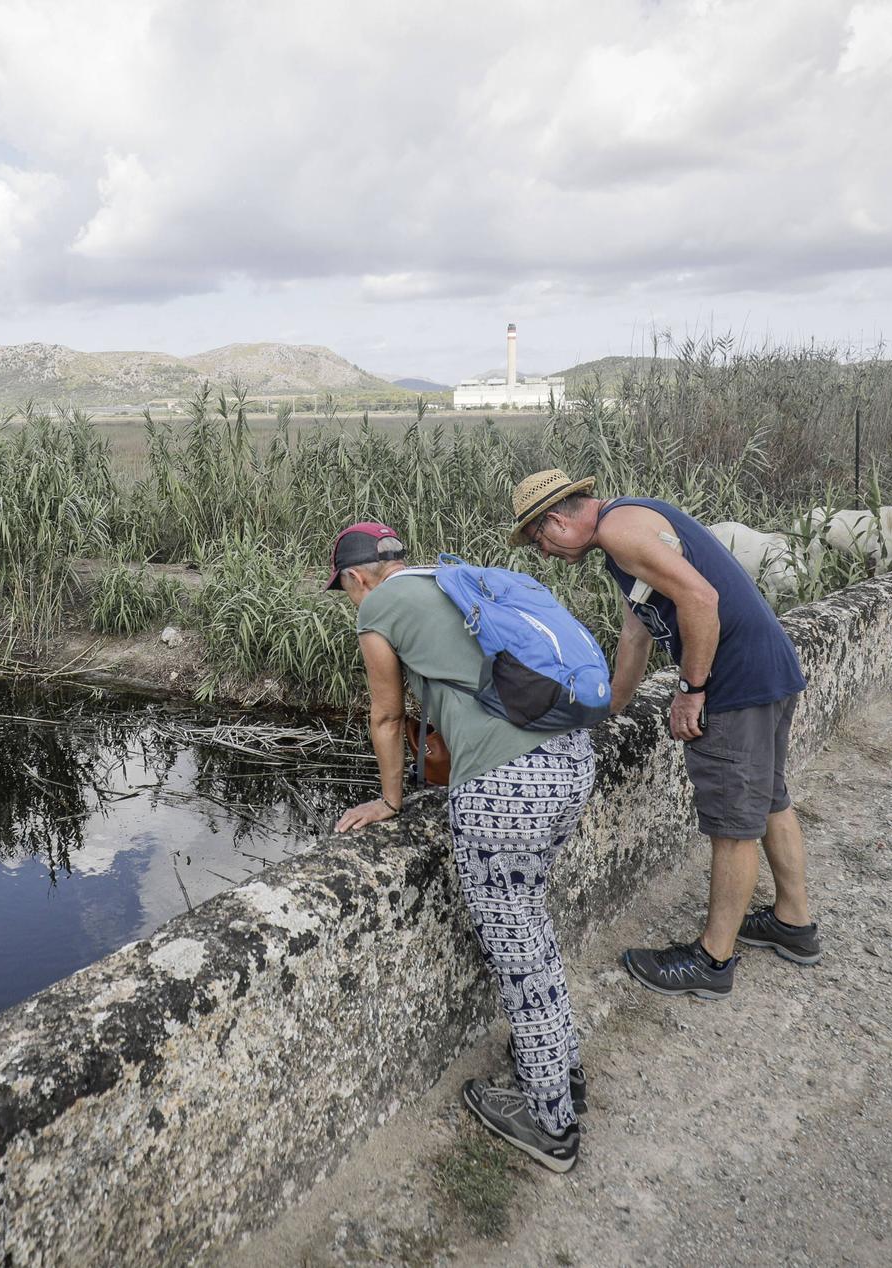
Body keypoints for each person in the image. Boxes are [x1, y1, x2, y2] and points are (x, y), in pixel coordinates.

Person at [327, 521, 595, 1173]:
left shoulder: (380, 608)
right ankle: (558, 1069)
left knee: (515, 943)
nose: (350, 602)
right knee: (528, 928)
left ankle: (551, 1123)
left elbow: (387, 717)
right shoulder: (455, 580)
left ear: (358, 578)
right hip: (570, 759)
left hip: (505, 785)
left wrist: (391, 802)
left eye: (344, 591)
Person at [510, 468, 823, 1001]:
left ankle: (712, 960)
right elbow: (639, 628)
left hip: (734, 681)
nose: (544, 553)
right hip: (767, 666)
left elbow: (701, 601)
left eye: (539, 540)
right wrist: (612, 706)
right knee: (769, 797)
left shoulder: (617, 532)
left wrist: (691, 689)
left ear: (558, 520)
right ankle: (793, 922)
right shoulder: (631, 520)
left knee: (731, 824)